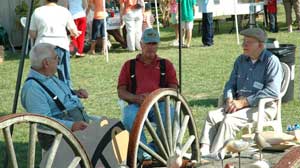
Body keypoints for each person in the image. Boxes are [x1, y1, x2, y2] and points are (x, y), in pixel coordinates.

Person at [199, 28, 283, 159]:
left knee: (229, 120)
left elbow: (273, 91)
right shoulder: (241, 60)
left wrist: (244, 102)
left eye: (248, 42)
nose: (244, 45)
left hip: (262, 108)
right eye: (244, 41)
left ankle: (215, 155)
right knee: (212, 116)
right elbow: (230, 84)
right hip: (238, 105)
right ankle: (203, 152)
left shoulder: (271, 62)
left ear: (260, 45)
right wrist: (228, 99)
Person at [117, 28, 178, 160]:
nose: (151, 47)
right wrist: (135, 98)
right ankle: (142, 153)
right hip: (136, 104)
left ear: (158, 45)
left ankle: (156, 149)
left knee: (172, 116)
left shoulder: (165, 65)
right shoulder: (129, 65)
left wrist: (157, 95)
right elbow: (121, 91)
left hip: (160, 104)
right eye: (148, 43)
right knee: (129, 118)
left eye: (154, 44)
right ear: (141, 44)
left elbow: (174, 88)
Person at [21, 43, 98, 133]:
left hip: (79, 131)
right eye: (56, 58)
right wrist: (72, 126)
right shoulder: (32, 89)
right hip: (63, 137)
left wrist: (74, 93)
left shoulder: (48, 76)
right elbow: (42, 122)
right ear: (46, 63)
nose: (58, 61)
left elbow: (56, 98)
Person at [29, 0, 81, 88]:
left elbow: (32, 34)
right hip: (60, 46)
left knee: (42, 76)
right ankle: (66, 96)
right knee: (64, 77)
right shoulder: (64, 11)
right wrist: (75, 33)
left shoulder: (37, 11)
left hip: (42, 47)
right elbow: (73, 30)